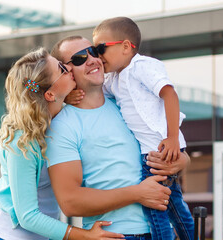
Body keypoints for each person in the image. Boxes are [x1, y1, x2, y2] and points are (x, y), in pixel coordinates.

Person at [47, 36, 191, 240]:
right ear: (66, 70)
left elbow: (175, 150)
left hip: (162, 232)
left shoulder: (126, 103)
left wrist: (181, 161)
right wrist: (138, 193)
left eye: (94, 51)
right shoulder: (61, 126)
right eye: (79, 58)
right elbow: (69, 202)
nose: (92, 59)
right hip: (118, 236)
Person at [0, 47, 124, 240]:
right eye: (62, 69)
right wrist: (85, 236)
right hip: (6, 235)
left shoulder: (60, 122)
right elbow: (27, 216)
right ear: (49, 95)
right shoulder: (22, 139)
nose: (70, 68)